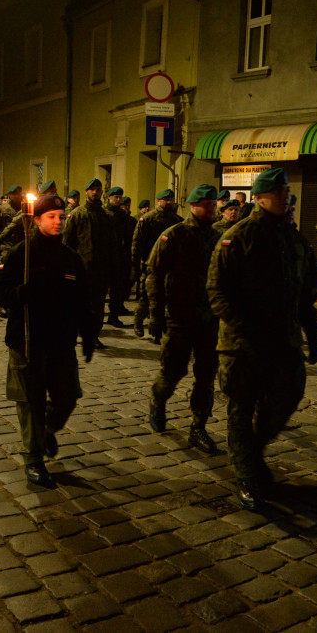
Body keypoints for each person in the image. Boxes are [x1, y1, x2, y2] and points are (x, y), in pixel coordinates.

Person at [207, 168, 317, 511]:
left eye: (287, 191)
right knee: (241, 408)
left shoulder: (293, 238)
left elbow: (305, 291)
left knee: (288, 395)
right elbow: (217, 289)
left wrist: (312, 332)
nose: (286, 196)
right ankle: (247, 476)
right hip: (244, 343)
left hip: (283, 341)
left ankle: (251, 454)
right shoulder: (240, 235)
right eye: (280, 191)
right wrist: (241, 325)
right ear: (260, 197)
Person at [0, 194, 97, 487]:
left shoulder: (71, 258)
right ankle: (33, 458)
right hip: (28, 341)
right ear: (36, 220)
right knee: (30, 403)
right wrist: (17, 295)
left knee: (68, 396)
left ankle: (47, 430)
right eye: (51, 216)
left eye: (61, 216)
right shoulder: (21, 254)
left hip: (61, 341)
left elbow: (82, 302)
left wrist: (88, 335)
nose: (58, 221)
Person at [146, 184, 223, 454]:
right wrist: (155, 312)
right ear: (193, 206)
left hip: (209, 318)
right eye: (207, 204)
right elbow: (154, 274)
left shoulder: (218, 237)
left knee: (206, 375)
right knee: (172, 372)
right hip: (179, 316)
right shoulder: (174, 235)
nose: (212, 208)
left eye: (214, 204)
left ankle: (198, 426)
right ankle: (158, 399)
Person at [62, 178, 114, 348]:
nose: (95, 192)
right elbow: (68, 243)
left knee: (98, 304)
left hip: (101, 268)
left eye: (98, 190)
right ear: (86, 192)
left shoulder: (105, 215)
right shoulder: (77, 214)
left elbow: (111, 244)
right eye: (92, 189)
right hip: (81, 268)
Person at [132, 189, 182, 338]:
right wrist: (136, 264)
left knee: (166, 298)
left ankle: (159, 329)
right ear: (159, 201)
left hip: (169, 265)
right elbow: (137, 243)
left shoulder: (177, 221)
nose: (169, 202)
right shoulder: (147, 219)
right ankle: (138, 321)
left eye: (171, 200)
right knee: (147, 297)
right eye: (166, 199)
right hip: (150, 264)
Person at [104, 186, 131, 328]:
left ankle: (113, 316)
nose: (118, 199)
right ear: (109, 197)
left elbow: (126, 235)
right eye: (116, 197)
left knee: (116, 288)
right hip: (105, 254)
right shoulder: (103, 213)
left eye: (120, 197)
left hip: (118, 255)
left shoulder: (121, 214)